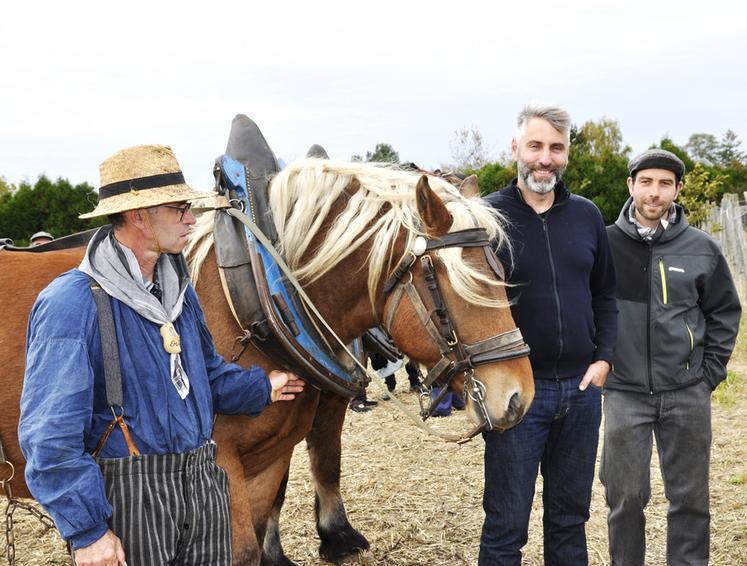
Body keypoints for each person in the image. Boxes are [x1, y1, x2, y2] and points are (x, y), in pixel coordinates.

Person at [18, 144, 305, 566]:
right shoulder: (71, 302)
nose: (191, 219)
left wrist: (262, 385)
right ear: (138, 215)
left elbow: (203, 377)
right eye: (178, 208)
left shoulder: (178, 295)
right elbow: (49, 435)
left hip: (202, 485)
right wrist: (88, 532)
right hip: (131, 498)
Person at [480, 104, 617, 565]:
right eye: (536, 145)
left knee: (569, 518)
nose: (545, 158)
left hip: (581, 391)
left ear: (567, 154)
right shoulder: (485, 219)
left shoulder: (586, 215)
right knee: (505, 524)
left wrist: (604, 359)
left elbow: (605, 294)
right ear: (515, 148)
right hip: (519, 391)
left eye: (556, 148)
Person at [601, 149, 741, 566]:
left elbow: (724, 313)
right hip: (625, 393)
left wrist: (707, 374)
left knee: (690, 500)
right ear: (631, 185)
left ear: (677, 189)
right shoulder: (605, 244)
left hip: (686, 393)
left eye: (665, 183)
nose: (654, 192)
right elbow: (591, 308)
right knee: (625, 499)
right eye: (646, 182)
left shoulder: (701, 248)